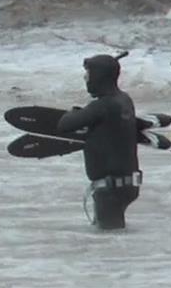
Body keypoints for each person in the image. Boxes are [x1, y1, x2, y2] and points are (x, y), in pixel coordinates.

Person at [56, 53, 141, 230]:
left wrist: (74, 111)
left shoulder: (103, 106)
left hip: (110, 189)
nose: (85, 78)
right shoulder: (124, 101)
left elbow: (64, 125)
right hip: (128, 185)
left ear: (99, 77)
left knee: (109, 243)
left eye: (89, 74)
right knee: (114, 235)